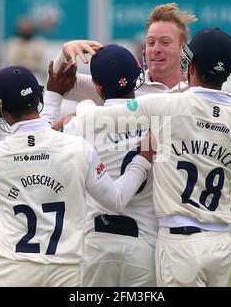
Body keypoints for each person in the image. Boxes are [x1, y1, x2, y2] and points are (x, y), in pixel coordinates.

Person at [75, 28, 231, 287]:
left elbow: (92, 121)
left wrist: (82, 106)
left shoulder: (167, 106)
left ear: (190, 62)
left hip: (180, 240)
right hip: (221, 244)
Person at [0, 65, 153, 287]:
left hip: (13, 269)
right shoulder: (78, 148)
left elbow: (36, 142)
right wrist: (142, 160)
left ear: (2, 111)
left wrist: (54, 97)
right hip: (66, 272)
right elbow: (116, 200)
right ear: (38, 99)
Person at [52, 44, 157, 287]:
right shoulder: (160, 117)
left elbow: (44, 138)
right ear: (139, 71)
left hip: (96, 241)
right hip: (144, 242)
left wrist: (65, 52)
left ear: (97, 87)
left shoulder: (81, 124)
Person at [51, 3, 197, 106]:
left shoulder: (197, 90)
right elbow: (59, 83)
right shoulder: (123, 84)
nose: (156, 49)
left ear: (183, 49)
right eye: (151, 43)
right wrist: (65, 53)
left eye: (165, 42)